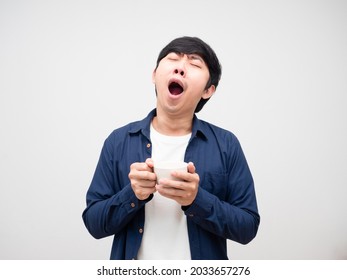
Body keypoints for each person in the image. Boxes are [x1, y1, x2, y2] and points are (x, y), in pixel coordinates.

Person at [82, 36, 260, 260]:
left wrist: (196, 199)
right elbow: (94, 224)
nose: (180, 68)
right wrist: (133, 194)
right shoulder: (118, 141)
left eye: (195, 64)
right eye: (173, 59)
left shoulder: (226, 144)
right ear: (154, 75)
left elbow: (248, 227)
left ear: (208, 90)